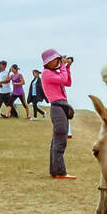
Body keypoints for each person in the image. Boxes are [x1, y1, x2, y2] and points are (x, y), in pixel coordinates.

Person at [41, 48, 75, 179]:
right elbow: (63, 78)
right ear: (48, 62)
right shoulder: (46, 73)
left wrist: (67, 67)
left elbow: (68, 82)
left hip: (61, 106)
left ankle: (55, 170)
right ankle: (59, 171)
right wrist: (63, 66)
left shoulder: (53, 73)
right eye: (56, 59)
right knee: (60, 138)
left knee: (57, 139)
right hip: (57, 106)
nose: (57, 61)